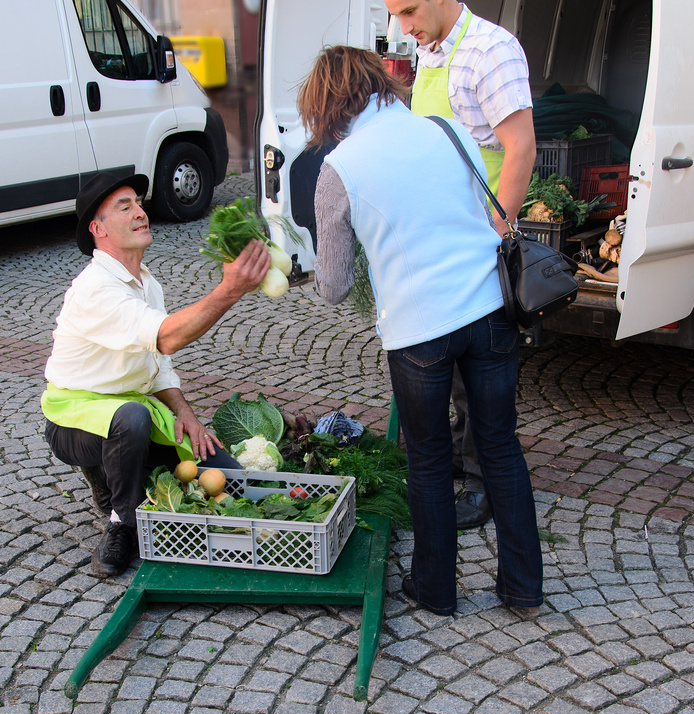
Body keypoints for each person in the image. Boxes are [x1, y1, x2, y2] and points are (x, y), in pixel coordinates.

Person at [297, 45, 542, 618]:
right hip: (488, 310)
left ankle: (435, 591)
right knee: (502, 447)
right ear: (379, 85)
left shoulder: (340, 169)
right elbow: (478, 217)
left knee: (428, 459)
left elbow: (332, 287)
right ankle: (524, 592)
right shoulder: (447, 129)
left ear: (329, 107)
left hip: (419, 330)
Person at [42, 171, 270, 579]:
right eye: (124, 206)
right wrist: (230, 288)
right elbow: (166, 338)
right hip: (75, 419)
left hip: (135, 409)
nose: (140, 212)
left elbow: (157, 362)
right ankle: (121, 523)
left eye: (139, 203)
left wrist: (186, 414)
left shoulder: (147, 283)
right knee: (132, 418)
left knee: (230, 477)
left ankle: (126, 475)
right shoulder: (95, 289)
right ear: (98, 229)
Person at [383, 0, 537, 530]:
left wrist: (501, 228)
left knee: (481, 376)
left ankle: (481, 484)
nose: (405, 27)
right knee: (442, 361)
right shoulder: (431, 51)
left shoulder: (490, 51)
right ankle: (452, 454)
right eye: (396, 16)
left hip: (481, 237)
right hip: (441, 239)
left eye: (410, 12)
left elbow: (520, 147)